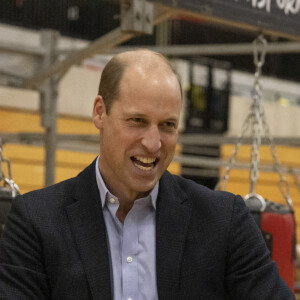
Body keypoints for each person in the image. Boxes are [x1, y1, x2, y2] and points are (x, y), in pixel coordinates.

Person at [0, 49, 295, 300]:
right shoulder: (36, 221)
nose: (153, 143)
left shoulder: (224, 221)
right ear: (100, 112)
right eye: (137, 121)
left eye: (167, 125)